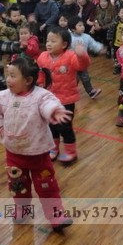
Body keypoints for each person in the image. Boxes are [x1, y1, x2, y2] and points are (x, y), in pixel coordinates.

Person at [0, 57, 74, 232]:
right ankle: (22, 209)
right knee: (18, 186)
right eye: (8, 75)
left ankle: (56, 215)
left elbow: (48, 103)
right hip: (14, 154)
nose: (8, 79)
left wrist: (54, 110)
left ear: (27, 80)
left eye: (13, 76)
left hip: (38, 154)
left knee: (47, 186)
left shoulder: (40, 95)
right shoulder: (3, 97)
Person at [37, 27, 90, 163]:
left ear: (64, 44)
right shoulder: (43, 57)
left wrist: (82, 55)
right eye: (47, 41)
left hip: (66, 100)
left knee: (65, 127)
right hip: (49, 100)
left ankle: (71, 152)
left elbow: (82, 66)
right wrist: (39, 85)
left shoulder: (70, 56)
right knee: (51, 126)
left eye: (53, 41)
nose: (48, 44)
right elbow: (40, 74)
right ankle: (53, 149)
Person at [68, 16, 106, 99]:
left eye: (82, 25)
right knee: (74, 79)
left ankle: (91, 92)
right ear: (73, 29)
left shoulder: (86, 37)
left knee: (86, 78)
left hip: (82, 62)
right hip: (71, 63)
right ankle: (69, 92)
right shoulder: (69, 37)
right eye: (79, 25)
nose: (82, 27)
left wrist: (100, 48)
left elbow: (93, 44)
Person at [107, 6, 123, 74]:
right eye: (122, 12)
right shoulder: (115, 23)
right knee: (116, 56)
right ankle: (117, 67)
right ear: (118, 14)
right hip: (116, 43)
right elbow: (110, 31)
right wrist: (110, 40)